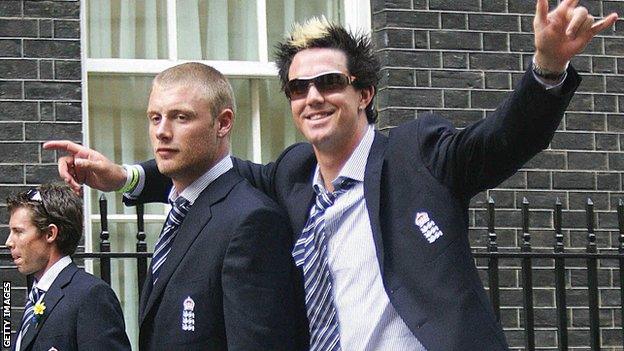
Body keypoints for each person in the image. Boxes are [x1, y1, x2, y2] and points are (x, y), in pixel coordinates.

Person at [45, 1, 618, 350]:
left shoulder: (417, 154)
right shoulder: (293, 175)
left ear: (364, 92)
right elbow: (216, 169)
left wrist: (547, 68)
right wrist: (125, 178)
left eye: (329, 83)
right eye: (298, 88)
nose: (312, 97)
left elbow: (502, 140)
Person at [46, 63, 306, 350]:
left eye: (180, 117)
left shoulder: (252, 221)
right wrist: (122, 177)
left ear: (223, 123)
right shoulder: (186, 210)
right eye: (154, 118)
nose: (162, 131)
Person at [5, 183, 131, 351]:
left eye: (19, 231)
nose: (9, 242)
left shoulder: (91, 295)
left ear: (50, 234)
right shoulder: (37, 296)